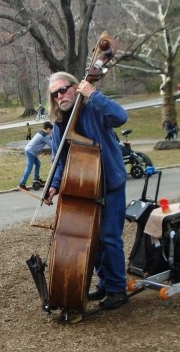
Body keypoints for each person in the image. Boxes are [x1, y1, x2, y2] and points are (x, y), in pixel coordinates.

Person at [46, 72, 129, 310]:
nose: (60, 96)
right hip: (83, 187)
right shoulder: (61, 122)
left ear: (76, 86)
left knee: (110, 237)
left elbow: (121, 117)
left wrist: (93, 94)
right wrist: (53, 184)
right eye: (55, 94)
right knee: (92, 239)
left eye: (63, 89)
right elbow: (60, 160)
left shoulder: (95, 108)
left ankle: (117, 289)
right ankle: (105, 282)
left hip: (110, 183)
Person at [19, 121, 52, 191]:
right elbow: (52, 145)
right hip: (30, 151)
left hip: (30, 150)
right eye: (51, 130)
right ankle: (22, 184)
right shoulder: (44, 136)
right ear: (48, 129)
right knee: (29, 167)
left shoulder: (41, 132)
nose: (51, 131)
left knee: (38, 164)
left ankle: (36, 179)